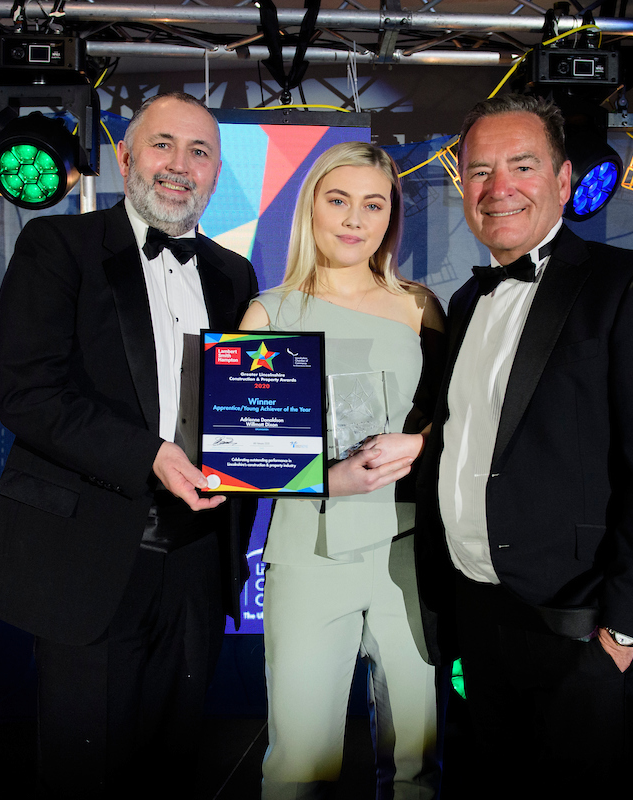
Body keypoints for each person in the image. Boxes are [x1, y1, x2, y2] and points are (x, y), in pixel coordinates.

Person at [0, 92, 258, 797]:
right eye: (163, 145)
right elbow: (27, 396)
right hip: (90, 555)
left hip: (198, 558)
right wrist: (150, 453)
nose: (179, 166)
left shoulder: (234, 275)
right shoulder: (58, 248)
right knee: (84, 766)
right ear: (125, 155)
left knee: (175, 760)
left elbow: (249, 408)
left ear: (217, 174)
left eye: (199, 153)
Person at [415, 93, 633, 773]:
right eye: (480, 170)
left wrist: (626, 627)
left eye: (522, 165)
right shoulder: (465, 300)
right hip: (479, 619)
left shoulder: (631, 285)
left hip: (581, 626)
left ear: (564, 179)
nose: (499, 188)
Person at [240, 142, 446, 799]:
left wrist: (420, 446)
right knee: (299, 763)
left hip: (409, 554)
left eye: (373, 204)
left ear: (390, 218)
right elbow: (244, 454)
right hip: (307, 556)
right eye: (339, 200)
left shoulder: (422, 307)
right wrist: (335, 479)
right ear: (311, 208)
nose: (355, 218)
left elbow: (463, 419)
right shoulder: (269, 312)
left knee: (418, 761)